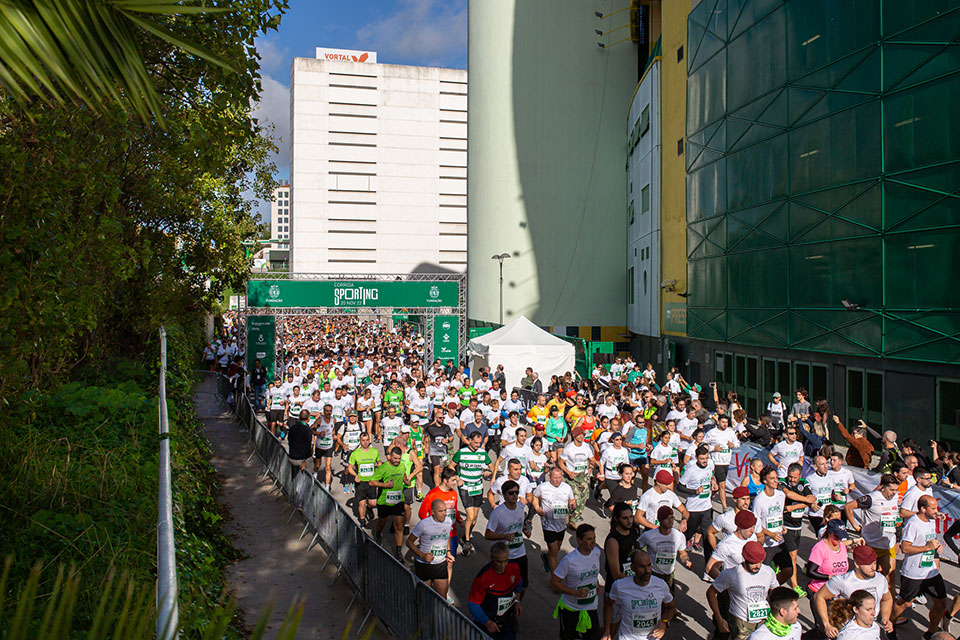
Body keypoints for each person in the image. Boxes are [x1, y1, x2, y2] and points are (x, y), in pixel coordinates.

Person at [891, 495, 948, 639]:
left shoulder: (930, 519)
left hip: (930, 571)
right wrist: (927, 547)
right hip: (914, 573)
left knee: (941, 603)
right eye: (933, 508)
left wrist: (935, 547)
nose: (936, 511)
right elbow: (905, 548)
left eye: (937, 508)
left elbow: (930, 539)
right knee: (904, 602)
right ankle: (890, 625)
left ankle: (930, 634)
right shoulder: (913, 524)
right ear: (923, 509)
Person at [813, 546, 893, 639]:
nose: (873, 567)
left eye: (874, 563)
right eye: (868, 564)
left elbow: (887, 599)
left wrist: (885, 618)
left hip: (870, 626)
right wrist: (827, 625)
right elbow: (819, 597)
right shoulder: (843, 581)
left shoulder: (880, 579)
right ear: (857, 564)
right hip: (848, 631)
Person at [707, 541, 780, 639]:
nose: (757, 566)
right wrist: (719, 617)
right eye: (753, 563)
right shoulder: (731, 574)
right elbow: (711, 593)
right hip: (740, 623)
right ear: (744, 558)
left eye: (760, 562)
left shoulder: (768, 572)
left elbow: (777, 592)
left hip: (763, 621)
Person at [601, 549, 675, 640]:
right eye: (642, 567)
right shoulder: (620, 586)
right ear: (632, 567)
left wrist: (665, 622)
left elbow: (671, 608)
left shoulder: (661, 585)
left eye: (649, 565)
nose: (647, 570)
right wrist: (607, 631)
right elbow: (609, 605)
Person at [844, 473, 900, 593]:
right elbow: (848, 506)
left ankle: (888, 603)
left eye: (896, 490)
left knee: (889, 575)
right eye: (891, 490)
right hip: (871, 543)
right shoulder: (871, 498)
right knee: (866, 575)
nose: (893, 493)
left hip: (888, 543)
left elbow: (897, 518)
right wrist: (855, 526)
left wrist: (898, 540)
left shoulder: (896, 498)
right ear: (882, 487)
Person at [550, 523, 603, 640]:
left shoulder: (596, 553)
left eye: (594, 538)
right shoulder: (569, 561)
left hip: (591, 608)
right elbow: (554, 583)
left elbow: (592, 574)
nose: (593, 542)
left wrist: (597, 585)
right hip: (571, 609)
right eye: (589, 539)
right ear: (579, 540)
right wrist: (575, 593)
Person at [450, 429, 494, 556]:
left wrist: (488, 472)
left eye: (479, 443)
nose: (478, 445)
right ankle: (467, 542)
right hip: (465, 487)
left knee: (474, 519)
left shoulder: (482, 453)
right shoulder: (461, 453)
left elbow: (491, 467)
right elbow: (451, 466)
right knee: (469, 516)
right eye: (475, 443)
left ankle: (465, 536)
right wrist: (458, 478)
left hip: (478, 487)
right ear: (469, 440)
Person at [485, 480, 531, 599]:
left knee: (524, 584)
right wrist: (504, 536)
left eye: (516, 492)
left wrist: (525, 530)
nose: (515, 496)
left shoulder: (521, 507)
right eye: (511, 493)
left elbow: (520, 524)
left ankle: (517, 603)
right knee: (505, 586)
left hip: (520, 553)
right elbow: (488, 534)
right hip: (505, 557)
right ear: (504, 495)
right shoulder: (498, 513)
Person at [468, 541, 523, 640]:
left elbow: (519, 582)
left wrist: (517, 600)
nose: (503, 565)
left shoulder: (514, 568)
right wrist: (486, 622)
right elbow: (473, 604)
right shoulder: (483, 577)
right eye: (499, 561)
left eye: (505, 561)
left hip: (508, 620)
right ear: (492, 559)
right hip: (489, 623)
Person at [779, 462, 817, 597]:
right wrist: (806, 502)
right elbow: (789, 495)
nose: (792, 480)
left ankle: (776, 563)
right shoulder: (782, 482)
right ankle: (795, 585)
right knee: (793, 556)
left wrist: (795, 506)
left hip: (798, 525)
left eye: (795, 477)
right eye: (790, 477)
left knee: (786, 553)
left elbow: (813, 498)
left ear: (800, 476)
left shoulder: (804, 483)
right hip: (786, 525)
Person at [418, 467, 461, 583]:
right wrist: (432, 527)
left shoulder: (454, 494)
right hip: (436, 537)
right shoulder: (433, 494)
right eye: (453, 480)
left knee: (449, 563)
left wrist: (459, 519)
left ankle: (444, 593)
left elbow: (454, 509)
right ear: (445, 480)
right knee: (435, 564)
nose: (455, 483)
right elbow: (422, 513)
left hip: (452, 534)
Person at [752, 465, 792, 586]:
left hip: (779, 542)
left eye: (776, 478)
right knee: (761, 576)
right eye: (772, 478)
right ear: (765, 481)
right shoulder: (759, 500)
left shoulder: (781, 495)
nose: (776, 481)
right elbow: (756, 524)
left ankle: (771, 589)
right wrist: (770, 534)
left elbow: (779, 514)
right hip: (765, 544)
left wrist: (782, 526)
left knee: (788, 570)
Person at [406, 498, 455, 600]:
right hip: (424, 565)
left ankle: (438, 616)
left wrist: (448, 552)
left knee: (442, 598)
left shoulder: (448, 521)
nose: (444, 514)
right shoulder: (424, 524)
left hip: (440, 564)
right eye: (440, 511)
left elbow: (447, 536)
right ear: (433, 512)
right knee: (424, 598)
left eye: (445, 510)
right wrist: (422, 555)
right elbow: (409, 542)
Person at [533, 466, 577, 573]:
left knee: (556, 549)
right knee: (554, 553)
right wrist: (537, 508)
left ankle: (546, 557)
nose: (557, 480)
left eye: (559, 478)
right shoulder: (543, 487)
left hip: (561, 524)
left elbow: (572, 500)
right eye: (555, 478)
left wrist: (573, 504)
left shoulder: (566, 487)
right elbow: (534, 497)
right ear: (549, 477)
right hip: (548, 524)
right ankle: (555, 579)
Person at [637, 506, 691, 593]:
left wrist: (686, 561)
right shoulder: (649, 535)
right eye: (666, 518)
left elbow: (683, 553)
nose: (670, 521)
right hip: (653, 574)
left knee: (669, 603)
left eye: (672, 517)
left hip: (669, 576)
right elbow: (636, 548)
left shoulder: (679, 536)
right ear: (660, 520)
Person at [677, 444, 717, 557]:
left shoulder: (710, 465)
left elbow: (711, 476)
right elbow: (679, 487)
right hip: (693, 509)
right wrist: (695, 491)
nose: (704, 461)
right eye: (702, 459)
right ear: (696, 457)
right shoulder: (691, 470)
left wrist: (713, 483)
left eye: (706, 458)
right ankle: (679, 551)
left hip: (706, 508)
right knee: (687, 534)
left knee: (708, 535)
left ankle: (708, 563)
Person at [371, 446, 409, 561]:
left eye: (399, 458)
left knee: (398, 525)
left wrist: (406, 481)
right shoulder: (383, 468)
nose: (397, 461)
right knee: (382, 522)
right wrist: (385, 485)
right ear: (390, 457)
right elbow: (372, 482)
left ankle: (398, 551)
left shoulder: (402, 466)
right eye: (395, 458)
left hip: (398, 500)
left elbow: (404, 476)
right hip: (384, 501)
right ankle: (378, 533)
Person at [559, 426, 597, 526]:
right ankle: (573, 520)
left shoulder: (586, 447)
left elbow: (591, 459)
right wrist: (568, 472)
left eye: (583, 434)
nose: (581, 436)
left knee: (584, 497)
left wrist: (591, 468)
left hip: (582, 476)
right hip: (571, 477)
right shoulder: (569, 448)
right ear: (574, 436)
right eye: (579, 434)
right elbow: (560, 462)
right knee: (577, 499)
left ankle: (572, 514)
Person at [705, 510, 759, 579]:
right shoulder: (726, 544)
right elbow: (709, 568)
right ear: (739, 526)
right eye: (748, 527)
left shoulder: (753, 537)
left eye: (753, 526)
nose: (752, 530)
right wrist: (727, 584)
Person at [805, 520, 851, 595]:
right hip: (820, 592)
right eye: (837, 536)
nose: (839, 539)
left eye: (841, 537)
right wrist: (829, 577)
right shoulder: (820, 548)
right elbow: (810, 572)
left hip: (838, 592)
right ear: (830, 533)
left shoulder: (842, 546)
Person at [345, 431, 381, 525]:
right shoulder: (355, 454)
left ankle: (369, 508)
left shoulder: (375, 452)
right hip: (360, 482)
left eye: (367, 440)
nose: (365, 442)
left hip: (372, 482)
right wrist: (355, 475)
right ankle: (362, 520)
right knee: (362, 503)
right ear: (360, 441)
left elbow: (379, 463)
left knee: (373, 503)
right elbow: (349, 468)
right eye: (363, 440)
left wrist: (379, 473)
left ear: (369, 440)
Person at [705, 414, 740, 510]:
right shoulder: (712, 433)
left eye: (726, 422)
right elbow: (703, 445)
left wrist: (733, 445)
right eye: (723, 422)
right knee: (722, 485)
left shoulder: (730, 432)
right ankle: (724, 508)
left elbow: (737, 443)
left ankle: (707, 498)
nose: (725, 424)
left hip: (726, 462)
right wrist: (713, 448)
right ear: (718, 422)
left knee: (719, 486)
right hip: (716, 462)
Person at [605, 502, 641, 584]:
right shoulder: (613, 541)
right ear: (616, 518)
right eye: (625, 518)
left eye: (631, 517)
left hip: (633, 583)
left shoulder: (633, 531)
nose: (630, 521)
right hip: (618, 588)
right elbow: (616, 574)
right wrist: (637, 582)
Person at [312, 403, 336, 490]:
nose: (328, 413)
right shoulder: (319, 420)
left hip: (329, 446)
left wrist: (334, 434)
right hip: (320, 446)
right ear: (324, 411)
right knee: (318, 465)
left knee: (328, 467)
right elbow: (310, 429)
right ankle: (315, 473)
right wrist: (318, 433)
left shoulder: (334, 420)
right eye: (327, 411)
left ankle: (327, 486)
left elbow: (333, 429)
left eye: (330, 411)